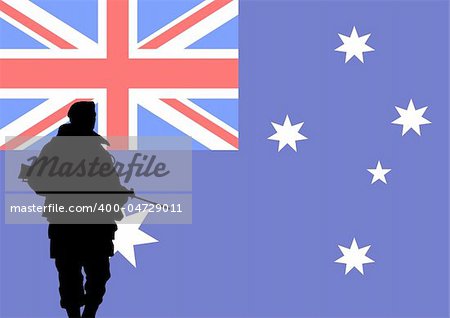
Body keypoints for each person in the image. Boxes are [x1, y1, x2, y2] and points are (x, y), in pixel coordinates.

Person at [26, 101, 130, 318]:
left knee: (99, 275)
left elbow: (110, 183)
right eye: (89, 115)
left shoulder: (97, 149)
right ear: (77, 118)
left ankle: (88, 315)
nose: (92, 119)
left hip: (96, 226)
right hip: (67, 225)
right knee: (70, 274)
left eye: (93, 115)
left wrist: (119, 193)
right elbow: (37, 181)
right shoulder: (56, 148)